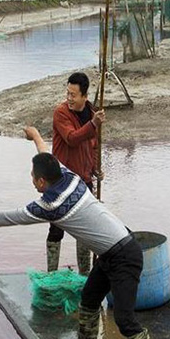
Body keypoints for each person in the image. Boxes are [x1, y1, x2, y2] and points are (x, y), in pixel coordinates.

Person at [0, 127, 155, 339]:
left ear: (41, 181)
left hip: (124, 255)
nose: (31, 182)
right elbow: (46, 154)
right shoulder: (68, 175)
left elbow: (7, 217)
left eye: (32, 177)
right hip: (111, 253)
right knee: (89, 300)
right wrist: (36, 136)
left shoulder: (51, 205)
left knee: (124, 320)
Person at [46, 72, 105, 275]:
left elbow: (94, 145)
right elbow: (72, 138)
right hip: (61, 181)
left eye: (73, 95)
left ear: (84, 96)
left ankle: (85, 274)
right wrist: (93, 125)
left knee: (85, 229)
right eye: (67, 93)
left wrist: (96, 168)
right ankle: (51, 274)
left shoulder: (92, 114)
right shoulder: (61, 113)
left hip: (84, 180)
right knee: (56, 228)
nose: (69, 98)